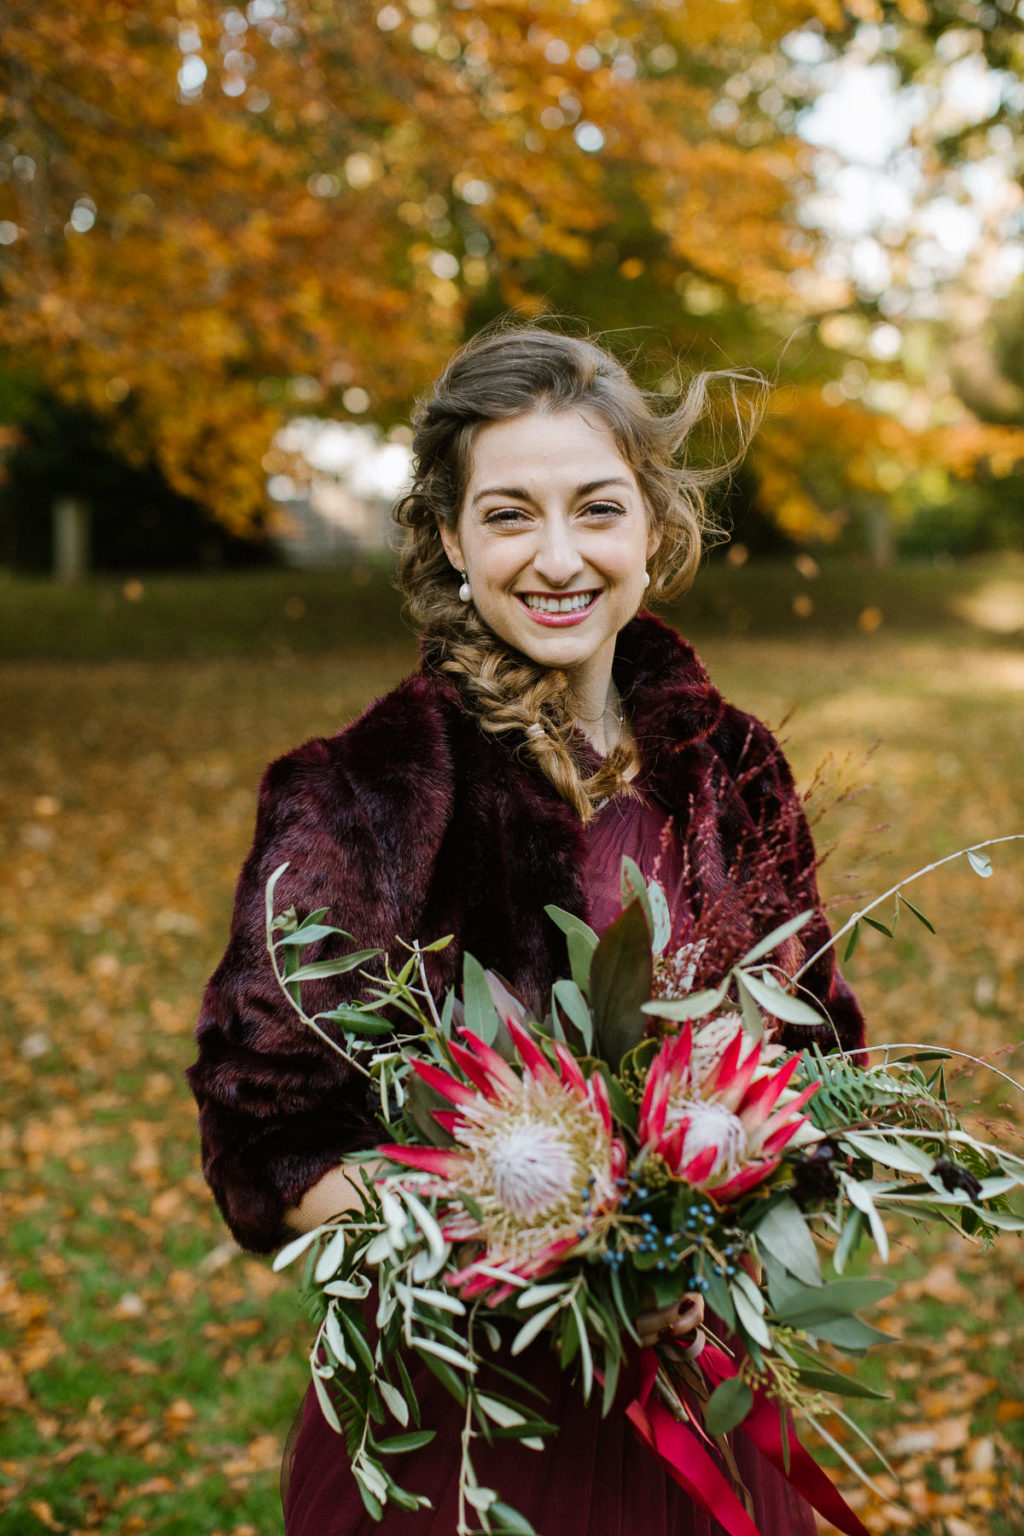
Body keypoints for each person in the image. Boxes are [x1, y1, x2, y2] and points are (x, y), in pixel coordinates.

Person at [188, 325, 864, 1535]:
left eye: (596, 509)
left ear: (654, 526)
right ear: (451, 539)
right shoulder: (362, 795)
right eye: (509, 515)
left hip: (697, 1413)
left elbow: (815, 1064)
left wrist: (716, 1218)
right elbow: (266, 1144)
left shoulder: (733, 765)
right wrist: (546, 1225)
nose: (558, 558)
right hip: (464, 1433)